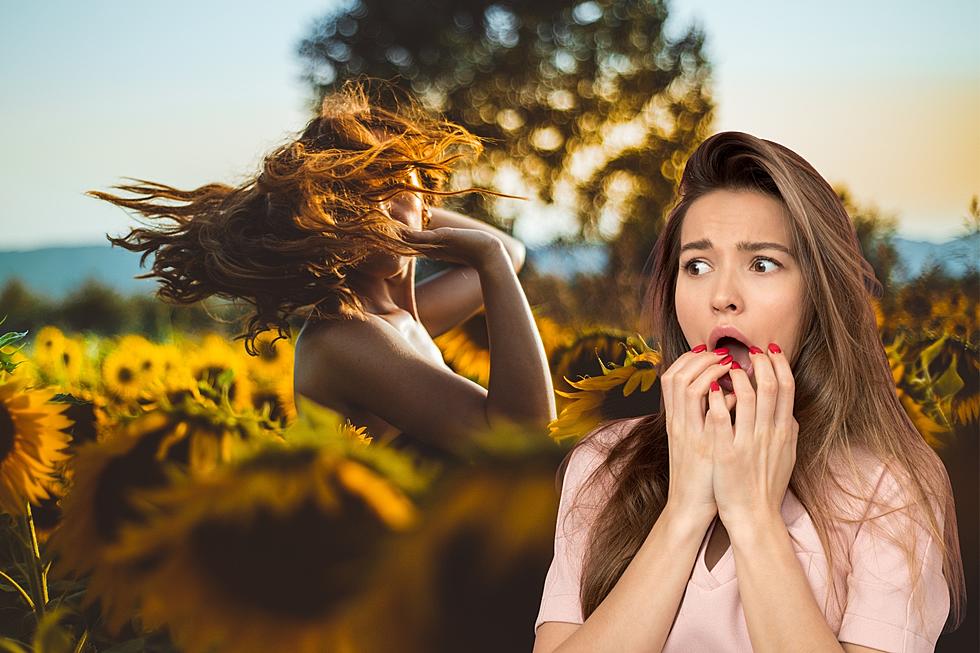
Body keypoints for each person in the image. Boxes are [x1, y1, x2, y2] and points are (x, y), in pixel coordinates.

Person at [533, 131, 965, 652]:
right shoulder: (603, 463)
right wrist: (685, 510)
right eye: (697, 265)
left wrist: (754, 516)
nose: (722, 297)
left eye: (762, 263)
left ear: (818, 296)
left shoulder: (884, 493)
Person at [89, 80, 556, 458]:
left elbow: (510, 251)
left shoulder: (398, 319)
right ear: (324, 216)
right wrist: (483, 257)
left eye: (396, 183)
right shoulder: (345, 336)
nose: (382, 206)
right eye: (358, 191)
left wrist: (425, 215)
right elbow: (524, 437)